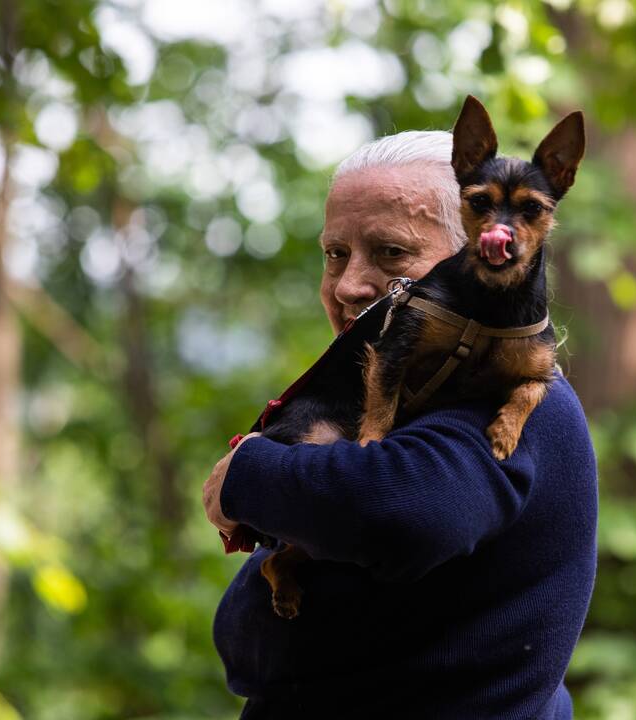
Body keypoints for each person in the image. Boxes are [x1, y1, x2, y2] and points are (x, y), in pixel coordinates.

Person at [202, 130, 598, 719]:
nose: (347, 286)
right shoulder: (411, 393)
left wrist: (248, 472)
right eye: (335, 254)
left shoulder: (507, 401)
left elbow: (395, 514)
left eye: (390, 253)